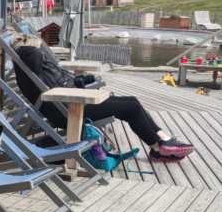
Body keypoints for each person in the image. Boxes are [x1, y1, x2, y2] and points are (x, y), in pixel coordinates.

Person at [12, 39, 195, 160]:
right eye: (40, 47)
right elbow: (33, 59)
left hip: (69, 102)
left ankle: (162, 140)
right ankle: (159, 147)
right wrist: (34, 47)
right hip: (67, 110)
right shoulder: (28, 54)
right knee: (130, 107)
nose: (43, 50)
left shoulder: (33, 61)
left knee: (132, 101)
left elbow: (48, 73)